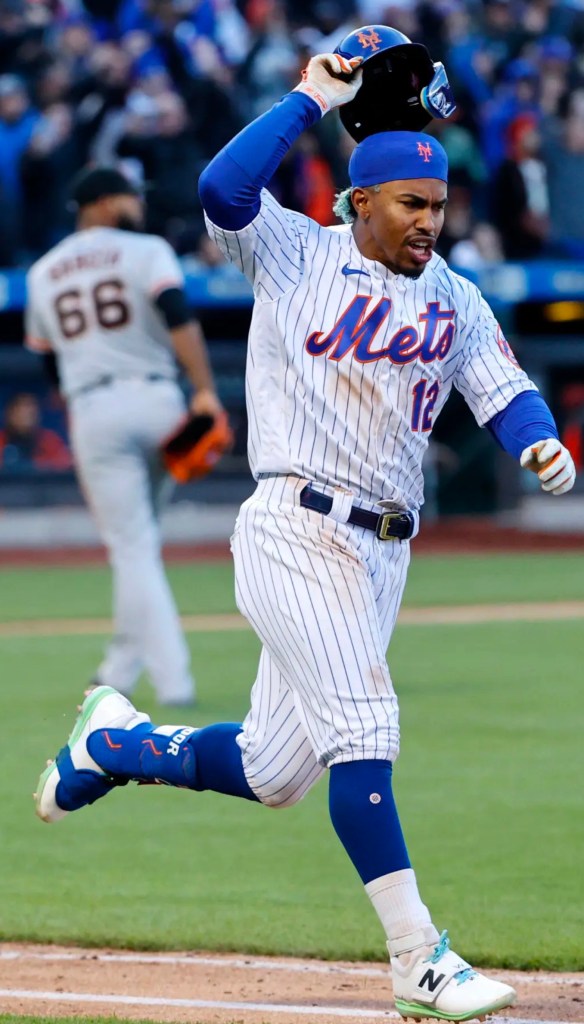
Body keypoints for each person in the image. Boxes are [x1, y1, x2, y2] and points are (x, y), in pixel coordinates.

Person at [35, 49, 576, 1024]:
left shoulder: (452, 294)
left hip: (382, 554)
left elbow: (505, 389)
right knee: (364, 726)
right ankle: (416, 956)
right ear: (361, 201)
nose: (428, 220)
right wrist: (309, 98)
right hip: (295, 526)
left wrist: (538, 443)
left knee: (273, 769)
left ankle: (114, 742)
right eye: (409, 204)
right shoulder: (295, 251)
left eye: (437, 205)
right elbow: (220, 188)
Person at [26, 166, 223, 706]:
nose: (137, 204)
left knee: (132, 549)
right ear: (102, 202)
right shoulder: (146, 249)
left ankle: (175, 684)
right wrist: (204, 390)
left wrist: (77, 401)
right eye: (129, 196)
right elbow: (178, 316)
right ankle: (119, 668)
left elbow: (46, 359)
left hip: (95, 406)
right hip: (160, 400)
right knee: (142, 546)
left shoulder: (43, 271)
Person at [0, 392, 71, 471]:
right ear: (9, 414)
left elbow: (64, 466)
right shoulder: (1, 440)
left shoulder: (50, 441)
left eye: (31, 409)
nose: (26, 414)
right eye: (21, 409)